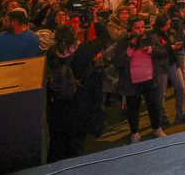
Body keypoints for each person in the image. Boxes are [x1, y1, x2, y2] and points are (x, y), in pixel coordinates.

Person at [45, 24, 108, 162]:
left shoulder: (51, 52)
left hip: (59, 101)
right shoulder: (84, 50)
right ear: (74, 37)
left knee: (59, 140)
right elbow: (104, 38)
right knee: (77, 139)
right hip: (79, 98)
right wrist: (96, 21)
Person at [113, 16, 168, 144]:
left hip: (150, 79)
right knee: (133, 108)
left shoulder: (150, 38)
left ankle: (157, 128)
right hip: (132, 81)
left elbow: (162, 52)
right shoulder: (124, 42)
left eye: (142, 27)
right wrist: (130, 49)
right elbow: (117, 62)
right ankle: (135, 133)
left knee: (154, 106)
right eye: (137, 28)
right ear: (130, 29)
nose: (140, 30)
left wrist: (149, 49)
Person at [151, 15, 185, 126]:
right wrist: (171, 47)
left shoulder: (170, 32)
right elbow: (157, 50)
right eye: (166, 25)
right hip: (161, 65)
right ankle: (163, 115)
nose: (168, 26)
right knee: (161, 92)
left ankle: (180, 113)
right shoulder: (153, 35)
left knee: (180, 88)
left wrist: (177, 45)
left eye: (169, 24)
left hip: (173, 63)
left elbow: (173, 42)